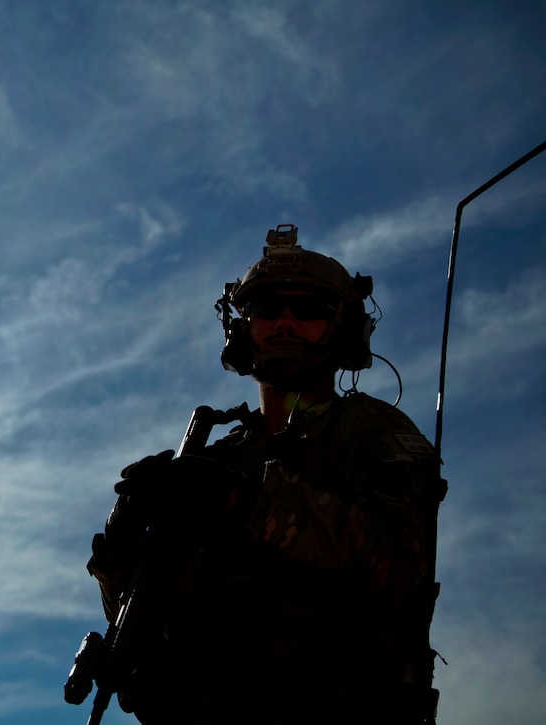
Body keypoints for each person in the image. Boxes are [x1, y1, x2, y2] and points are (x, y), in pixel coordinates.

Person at [85, 225, 445, 724]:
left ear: (344, 327)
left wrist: (245, 502)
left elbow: (401, 561)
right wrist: (119, 548)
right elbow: (150, 617)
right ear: (241, 329)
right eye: (267, 309)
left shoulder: (371, 431)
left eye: (310, 311)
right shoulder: (218, 458)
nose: (285, 323)